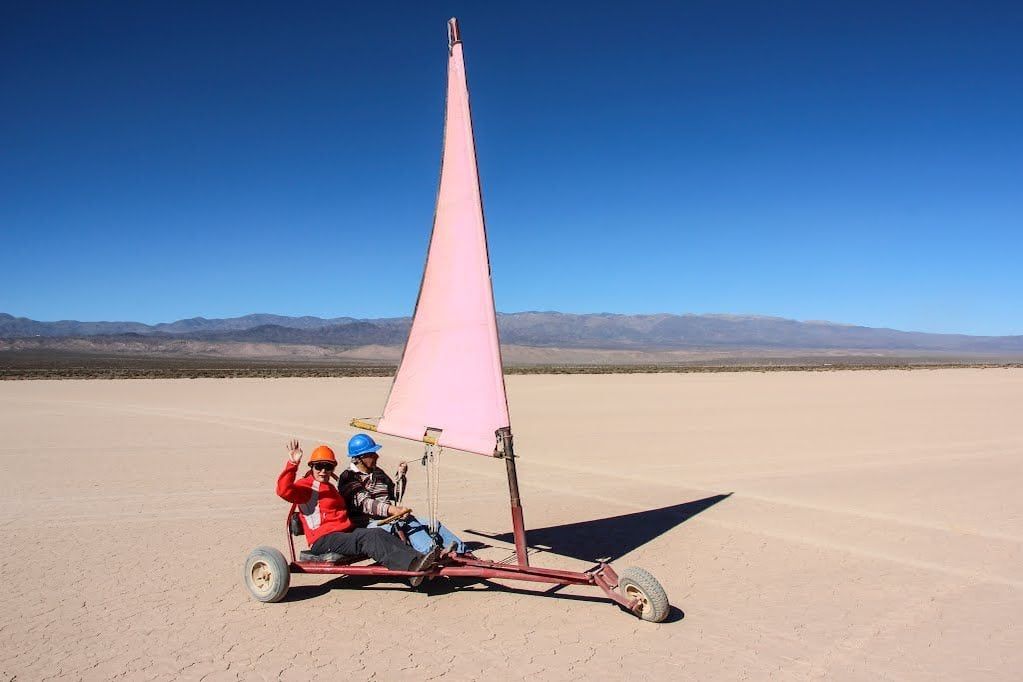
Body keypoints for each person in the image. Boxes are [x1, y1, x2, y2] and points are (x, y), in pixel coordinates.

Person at [276, 439, 439, 577]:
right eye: (319, 466)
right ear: (311, 467)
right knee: (369, 539)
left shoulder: (330, 488)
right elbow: (283, 490)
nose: (323, 471)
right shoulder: (305, 488)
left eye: (328, 466)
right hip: (324, 540)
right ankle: (411, 567)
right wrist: (292, 464)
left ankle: (419, 559)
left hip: (344, 534)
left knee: (378, 532)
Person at [338, 433, 466, 556]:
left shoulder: (378, 473)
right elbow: (365, 504)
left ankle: (463, 551)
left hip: (389, 518)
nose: (377, 456)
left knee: (432, 523)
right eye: (372, 454)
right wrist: (393, 510)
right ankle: (430, 552)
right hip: (367, 525)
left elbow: (395, 495)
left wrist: (401, 476)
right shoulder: (348, 477)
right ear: (360, 458)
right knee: (405, 524)